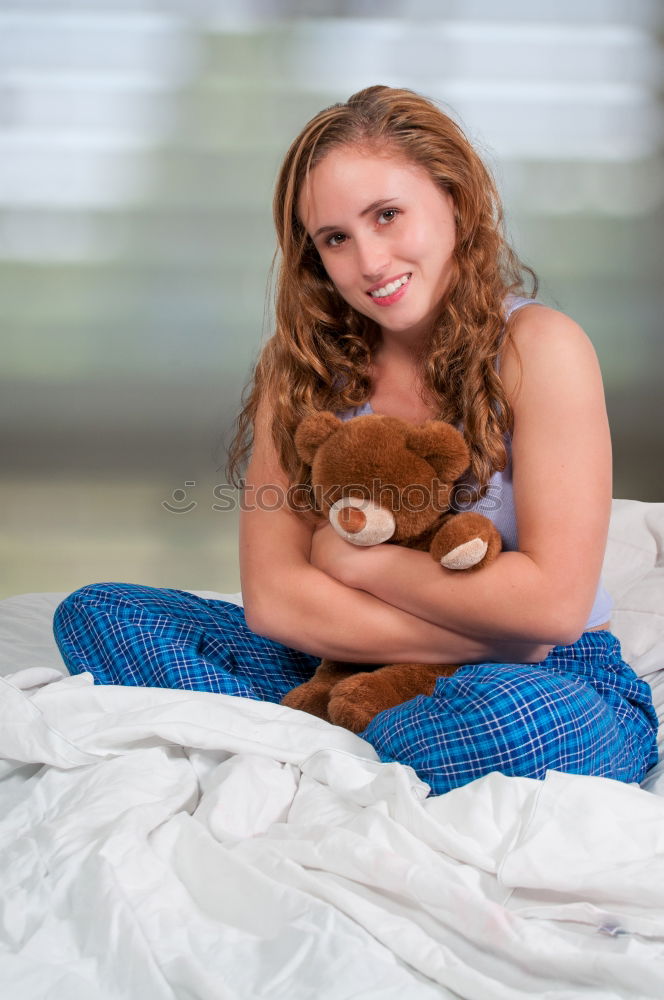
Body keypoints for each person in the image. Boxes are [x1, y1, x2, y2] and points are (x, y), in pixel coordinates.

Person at [53, 85, 658, 795]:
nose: (370, 262)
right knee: (100, 615)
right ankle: (363, 744)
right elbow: (276, 604)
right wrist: (487, 628)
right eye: (336, 238)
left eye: (388, 216)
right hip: (340, 661)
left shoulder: (538, 347)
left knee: (510, 721)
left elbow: (550, 613)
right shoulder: (302, 365)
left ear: (456, 200)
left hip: (537, 670)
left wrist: (350, 560)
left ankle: (309, 744)